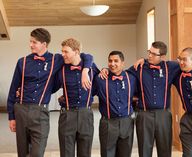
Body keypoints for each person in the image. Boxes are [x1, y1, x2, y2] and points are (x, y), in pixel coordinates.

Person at [100, 41, 192, 157]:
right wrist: (106, 70)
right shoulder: (139, 67)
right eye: (149, 52)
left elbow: (189, 63)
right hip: (144, 115)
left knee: (165, 150)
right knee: (144, 151)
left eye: (153, 54)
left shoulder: (171, 67)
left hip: (163, 115)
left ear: (162, 57)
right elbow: (119, 72)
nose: (149, 55)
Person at [7, 28, 92, 157]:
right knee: (23, 153)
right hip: (21, 110)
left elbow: (85, 56)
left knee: (37, 153)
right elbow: (13, 89)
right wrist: (11, 116)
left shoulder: (56, 59)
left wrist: (85, 70)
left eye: (34, 42)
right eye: (30, 41)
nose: (31, 45)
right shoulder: (22, 62)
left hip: (41, 112)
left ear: (44, 44)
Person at [54, 38, 99, 157]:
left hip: (86, 114)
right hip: (67, 115)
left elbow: (100, 85)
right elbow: (51, 87)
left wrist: (86, 71)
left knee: (85, 152)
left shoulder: (91, 67)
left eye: (66, 52)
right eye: (62, 51)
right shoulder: (61, 69)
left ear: (76, 51)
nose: (63, 54)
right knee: (66, 152)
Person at [94, 51, 137, 157]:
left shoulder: (131, 78)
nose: (112, 64)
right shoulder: (100, 79)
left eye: (116, 61)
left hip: (127, 122)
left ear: (123, 63)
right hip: (107, 123)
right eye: (110, 61)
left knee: (125, 154)